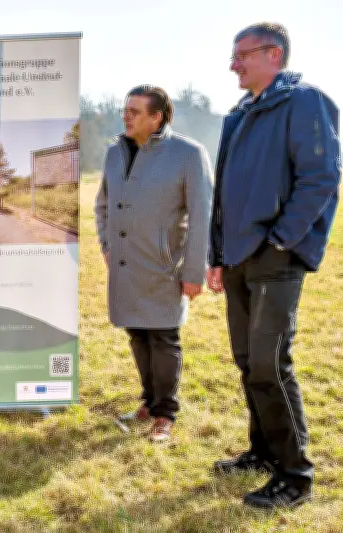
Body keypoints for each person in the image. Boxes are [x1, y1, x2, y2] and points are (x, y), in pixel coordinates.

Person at [207, 23, 340, 509]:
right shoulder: (240, 114)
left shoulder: (305, 101)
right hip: (239, 257)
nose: (233, 64)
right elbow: (222, 194)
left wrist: (282, 240)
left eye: (242, 55)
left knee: (269, 364)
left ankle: (294, 475)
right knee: (248, 363)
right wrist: (218, 255)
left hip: (275, 257)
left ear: (274, 55)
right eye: (233, 55)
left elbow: (322, 176)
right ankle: (263, 452)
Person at [95, 85, 213, 442]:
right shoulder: (115, 153)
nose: (125, 116)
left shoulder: (189, 154)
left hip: (164, 266)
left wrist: (194, 272)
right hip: (126, 264)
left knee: (163, 337)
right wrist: (106, 245)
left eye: (134, 111)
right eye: (125, 109)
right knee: (137, 333)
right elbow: (102, 205)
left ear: (157, 116)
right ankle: (148, 401)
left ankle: (165, 414)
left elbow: (202, 216)